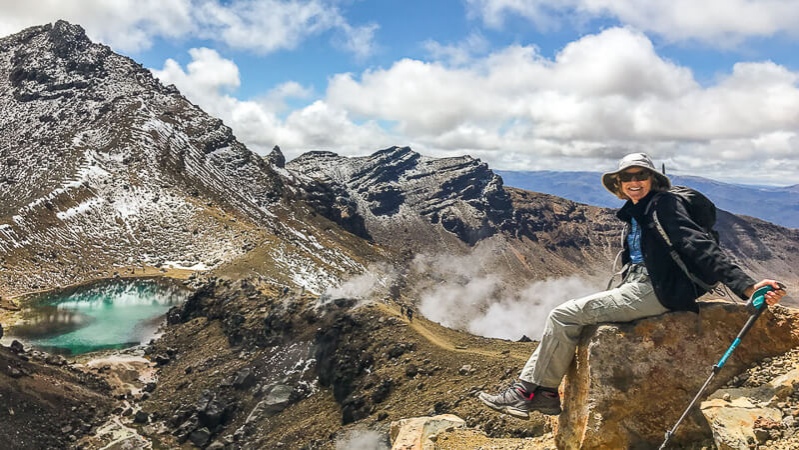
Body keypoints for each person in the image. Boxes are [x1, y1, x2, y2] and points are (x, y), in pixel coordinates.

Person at [478, 152, 787, 418]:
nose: (634, 181)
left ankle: (533, 393)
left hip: (657, 290)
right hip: (639, 285)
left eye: (641, 175)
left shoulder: (663, 205)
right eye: (627, 177)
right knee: (566, 318)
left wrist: (746, 286)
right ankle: (536, 392)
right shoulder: (639, 211)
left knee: (563, 315)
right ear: (620, 184)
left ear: (653, 180)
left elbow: (697, 244)